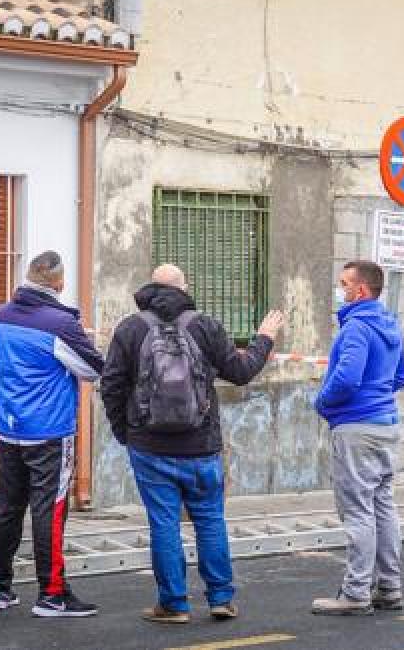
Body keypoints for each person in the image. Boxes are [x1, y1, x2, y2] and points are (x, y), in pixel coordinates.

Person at [100, 264, 283, 624]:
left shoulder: (131, 328)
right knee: (210, 520)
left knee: (164, 524)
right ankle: (220, 598)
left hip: (149, 447)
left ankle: (173, 604)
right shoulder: (204, 325)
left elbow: (112, 385)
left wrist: (128, 434)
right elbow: (241, 372)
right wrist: (264, 337)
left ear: (150, 289)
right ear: (186, 288)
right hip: (201, 445)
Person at [0, 251, 105, 617]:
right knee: (49, 509)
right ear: (59, 282)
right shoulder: (59, 323)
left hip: (9, 427)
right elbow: (93, 369)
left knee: (6, 507)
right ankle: (52, 594)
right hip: (50, 430)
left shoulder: (1, 316)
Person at [310, 260, 404, 616]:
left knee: (358, 512)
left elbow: (347, 378)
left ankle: (355, 593)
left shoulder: (355, 327)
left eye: (344, 284)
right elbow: (400, 377)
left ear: (360, 291)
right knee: (383, 506)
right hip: (386, 426)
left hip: (356, 428)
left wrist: (322, 402)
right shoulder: (390, 324)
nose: (340, 290)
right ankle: (389, 587)